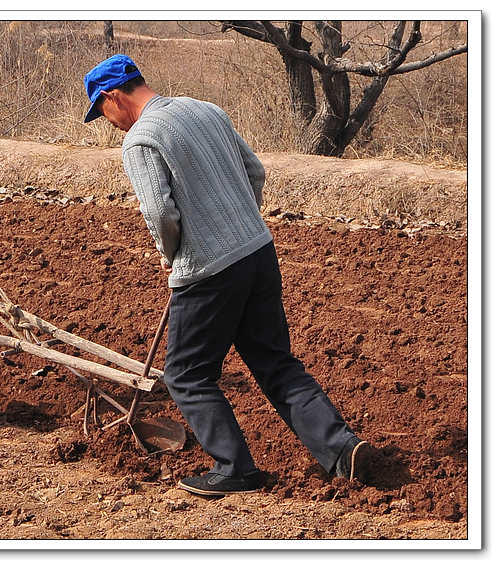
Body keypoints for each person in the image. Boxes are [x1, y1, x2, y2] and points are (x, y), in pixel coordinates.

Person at [83, 55, 374, 496]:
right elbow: (255, 171)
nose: (109, 123)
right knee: (275, 361)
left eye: (101, 113)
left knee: (186, 374)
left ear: (112, 97)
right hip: (258, 252)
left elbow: (160, 211)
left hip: (208, 270)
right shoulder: (205, 109)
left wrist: (170, 252)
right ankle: (341, 448)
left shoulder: (141, 139)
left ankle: (235, 468)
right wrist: (237, 221)